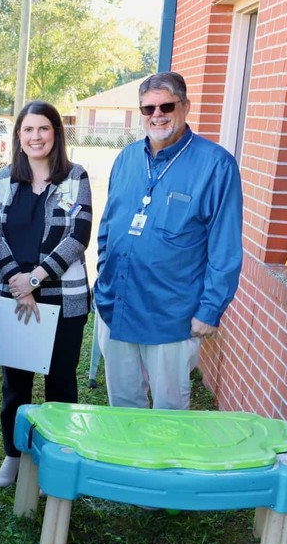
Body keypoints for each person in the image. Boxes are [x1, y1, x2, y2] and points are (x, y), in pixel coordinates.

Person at [95, 71, 243, 410]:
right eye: (148, 109)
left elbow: (225, 248)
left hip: (171, 316)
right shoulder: (126, 158)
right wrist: (103, 275)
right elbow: (108, 226)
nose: (157, 115)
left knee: (169, 417)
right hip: (117, 306)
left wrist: (210, 309)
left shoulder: (216, 165)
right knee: (122, 408)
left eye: (166, 106)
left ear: (185, 106)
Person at [0, 100, 93, 488]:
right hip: (12, 295)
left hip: (63, 297)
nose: (36, 137)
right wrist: (19, 283)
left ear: (56, 134)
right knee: (16, 385)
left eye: (43, 129)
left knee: (60, 383)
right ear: (19, 136)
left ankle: (58, 457)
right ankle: (14, 454)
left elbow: (78, 235)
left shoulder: (76, 177)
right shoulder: (3, 179)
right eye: (28, 129)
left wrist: (35, 280)